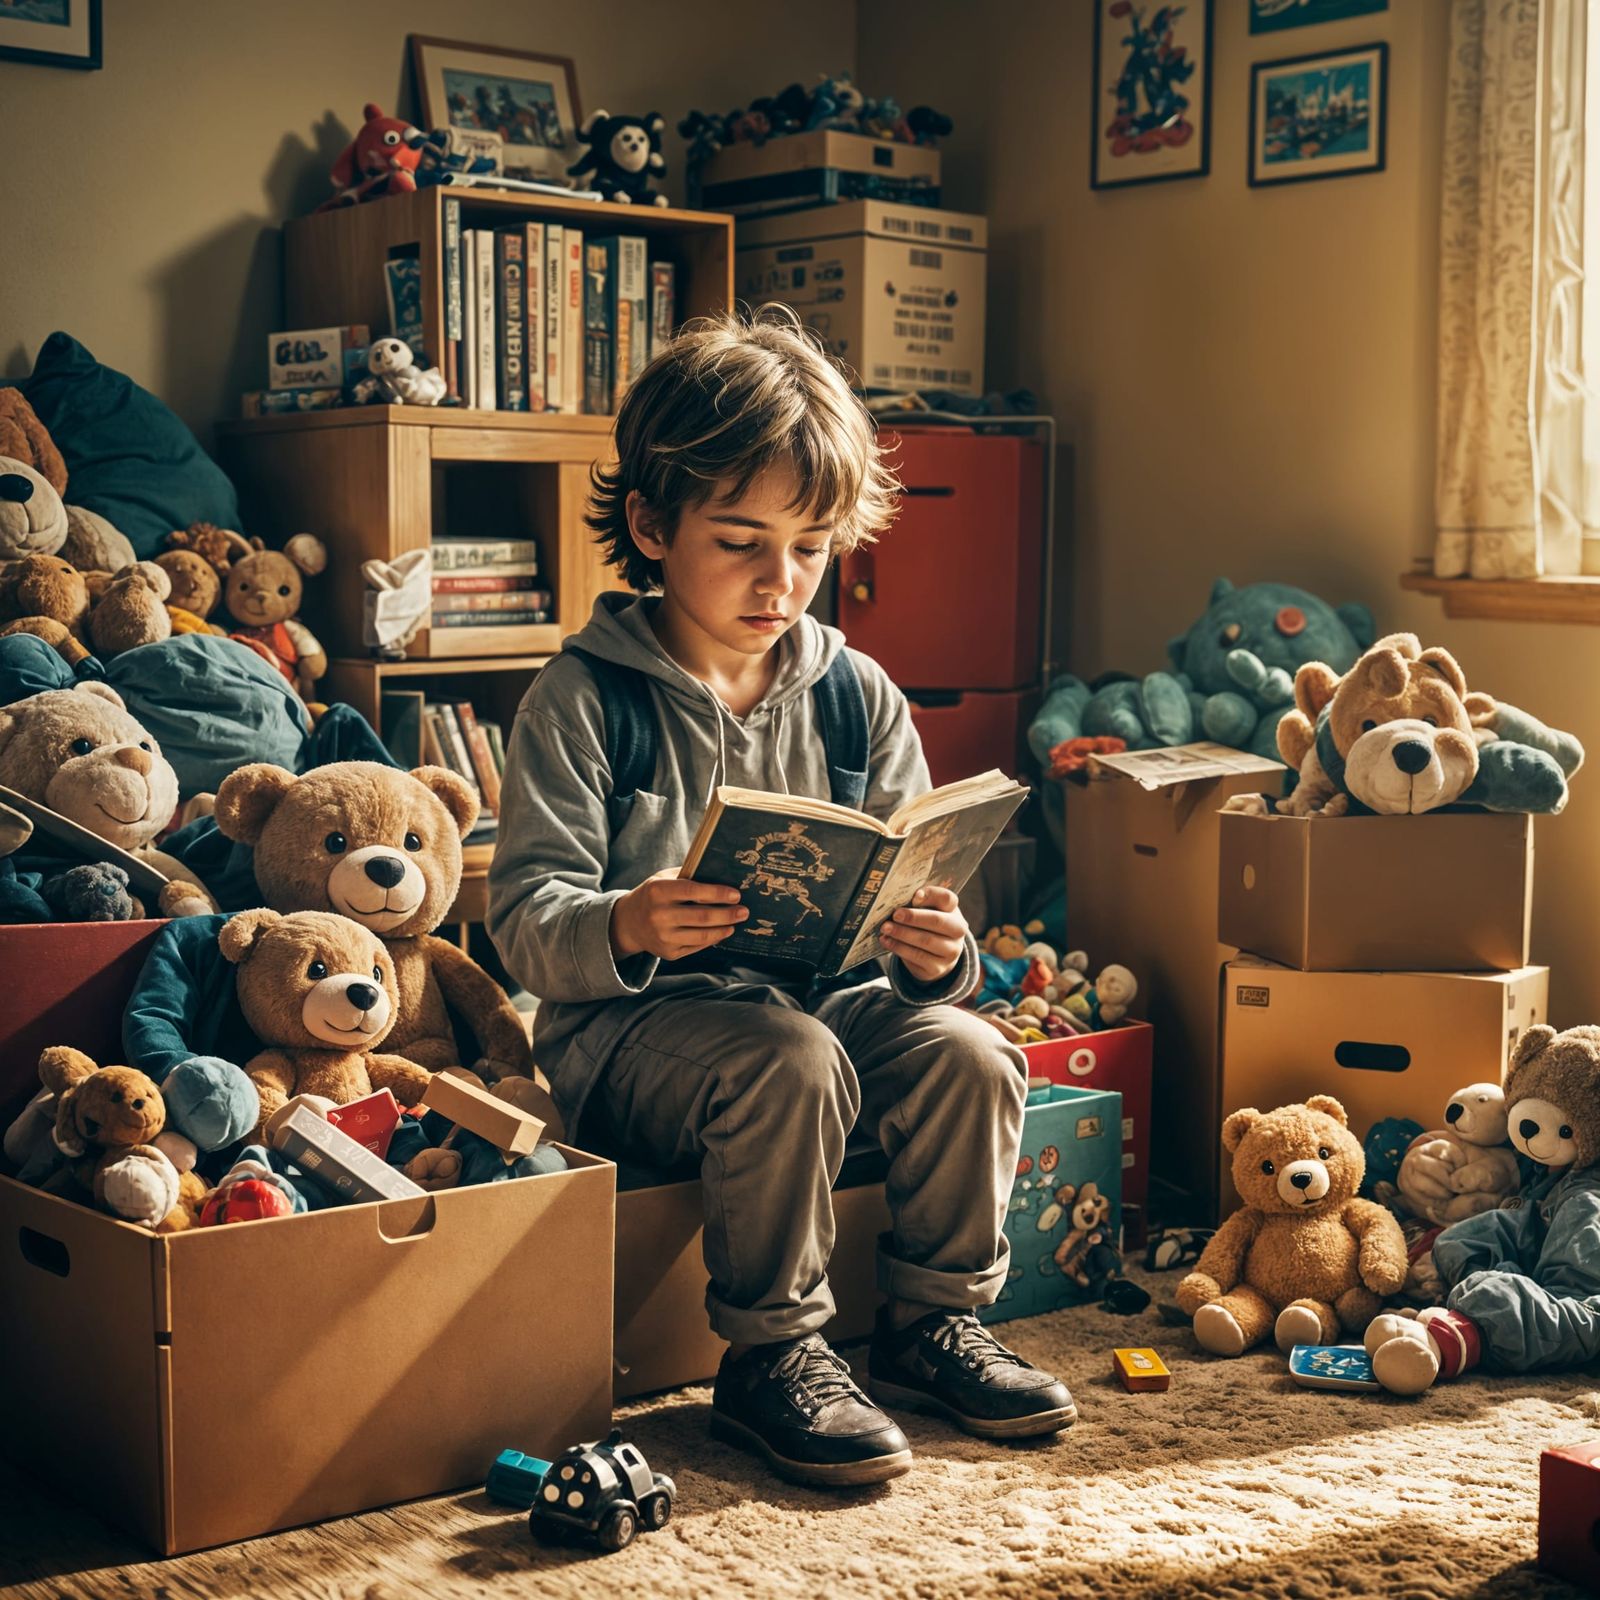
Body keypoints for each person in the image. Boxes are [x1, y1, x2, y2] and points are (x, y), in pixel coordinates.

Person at [487, 306, 1074, 1488]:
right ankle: (773, 1355)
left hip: (820, 1003)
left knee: (970, 1049)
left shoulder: (856, 694)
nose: (780, 580)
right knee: (786, 1056)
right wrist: (627, 921)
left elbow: (918, 879)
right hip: (629, 1037)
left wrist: (933, 947)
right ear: (651, 526)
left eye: (809, 547)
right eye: (741, 540)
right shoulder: (585, 696)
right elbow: (522, 920)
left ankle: (931, 1323)